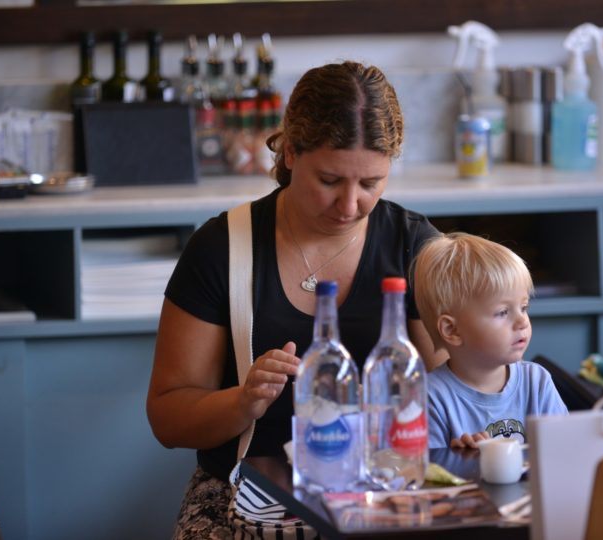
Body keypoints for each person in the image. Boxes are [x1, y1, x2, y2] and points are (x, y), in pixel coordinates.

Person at [146, 60, 442, 539]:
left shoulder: (415, 248)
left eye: (370, 183)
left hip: (383, 491)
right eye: (329, 180)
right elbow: (168, 417)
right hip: (244, 497)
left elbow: (460, 388)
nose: (349, 206)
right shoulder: (224, 248)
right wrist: (243, 402)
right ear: (289, 152)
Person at [412, 232, 568, 449]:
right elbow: (428, 476)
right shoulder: (429, 399)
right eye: (503, 312)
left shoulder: (537, 382)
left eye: (523, 308)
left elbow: (565, 452)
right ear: (452, 330)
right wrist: (460, 458)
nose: (522, 321)